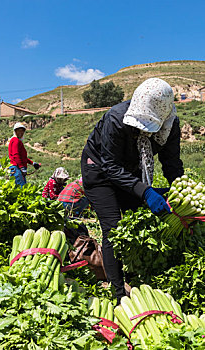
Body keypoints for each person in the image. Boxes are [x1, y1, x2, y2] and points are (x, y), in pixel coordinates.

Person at [81, 78, 184, 303]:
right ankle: (118, 292)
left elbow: (171, 162)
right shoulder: (117, 119)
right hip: (99, 171)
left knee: (139, 218)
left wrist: (180, 188)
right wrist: (144, 191)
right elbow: (110, 166)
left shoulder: (169, 125)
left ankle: (134, 273)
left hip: (131, 168)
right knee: (114, 229)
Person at [8, 122, 40, 187]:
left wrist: (32, 163)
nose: (21, 133)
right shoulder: (15, 140)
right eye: (19, 131)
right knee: (21, 188)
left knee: (18, 188)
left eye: (22, 131)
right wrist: (22, 167)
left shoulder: (17, 141)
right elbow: (16, 155)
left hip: (17, 168)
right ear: (15, 131)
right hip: (16, 168)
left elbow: (22, 157)